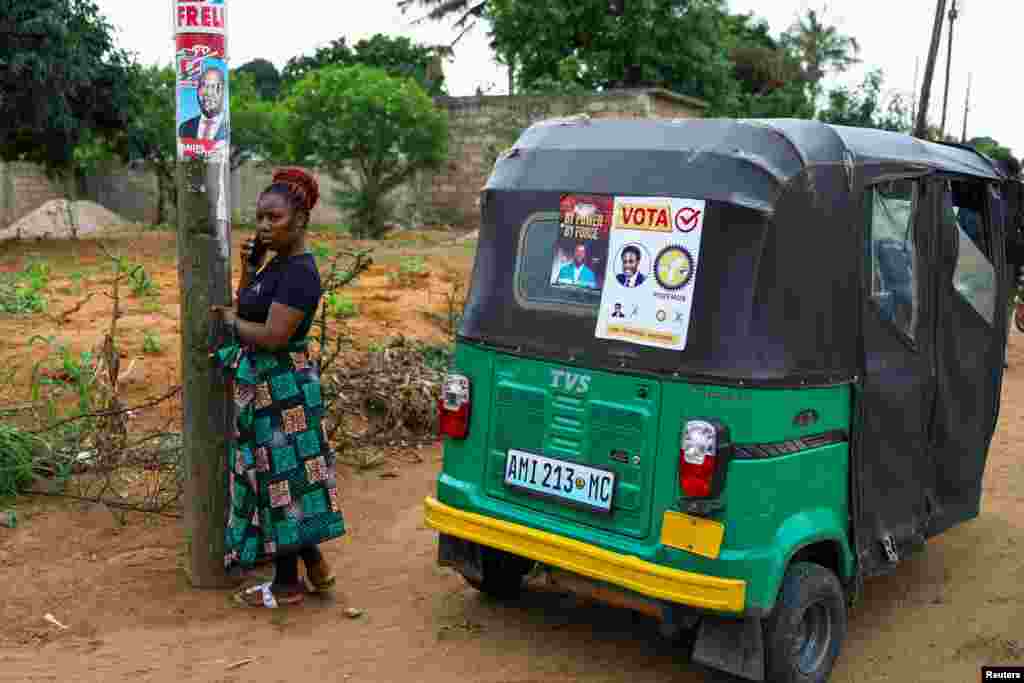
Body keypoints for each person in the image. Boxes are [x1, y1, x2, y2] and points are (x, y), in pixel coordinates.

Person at [209, 167, 344, 608]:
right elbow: (248, 300)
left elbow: (272, 335)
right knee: (279, 477)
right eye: (260, 217)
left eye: (275, 218)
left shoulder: (300, 273)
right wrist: (249, 269)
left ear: (301, 219)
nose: (265, 226)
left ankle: (286, 586)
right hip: (268, 384)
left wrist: (230, 322)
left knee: (282, 478)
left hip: (285, 386)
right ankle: (314, 566)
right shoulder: (275, 266)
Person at [178, 64, 229, 141]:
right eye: (203, 86)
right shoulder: (184, 127)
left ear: (223, 91)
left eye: (214, 87)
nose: (208, 93)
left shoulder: (230, 126)